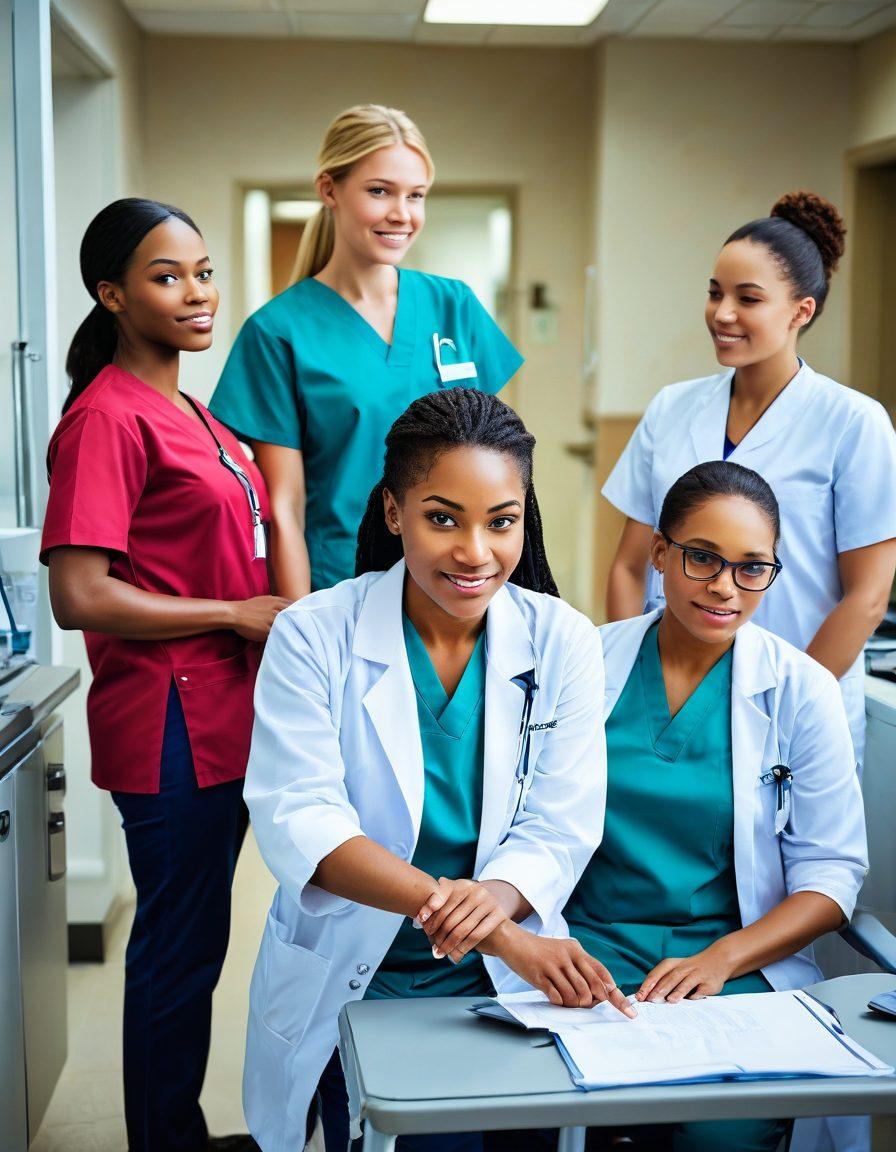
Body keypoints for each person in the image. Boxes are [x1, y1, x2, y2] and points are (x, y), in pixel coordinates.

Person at [241, 388, 631, 1152]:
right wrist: (502, 935)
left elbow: (562, 823)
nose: (475, 552)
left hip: (504, 980)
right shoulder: (313, 635)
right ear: (394, 512)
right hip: (363, 970)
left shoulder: (564, 640)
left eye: (502, 521)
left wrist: (494, 924)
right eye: (443, 517)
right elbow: (303, 820)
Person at [41, 198, 289, 1152]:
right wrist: (234, 612)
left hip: (227, 712)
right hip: (172, 725)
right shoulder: (106, 417)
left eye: (204, 271)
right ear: (112, 295)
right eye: (165, 275)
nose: (197, 293)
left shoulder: (191, 407)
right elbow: (81, 594)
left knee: (198, 948)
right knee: (178, 955)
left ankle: (176, 1130)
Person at [565, 461, 868, 1152]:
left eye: (751, 567)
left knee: (723, 1130)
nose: (725, 587)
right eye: (702, 557)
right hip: (586, 951)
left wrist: (723, 959)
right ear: (661, 554)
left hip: (733, 964)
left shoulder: (801, 689)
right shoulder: (584, 662)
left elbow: (832, 876)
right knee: (571, 1117)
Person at [603, 191, 896, 769]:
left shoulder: (853, 422)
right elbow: (629, 565)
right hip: (666, 694)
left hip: (796, 705)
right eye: (715, 292)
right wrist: (627, 681)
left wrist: (791, 704)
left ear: (801, 312)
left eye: (748, 298)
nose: (722, 313)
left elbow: (867, 595)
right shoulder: (671, 408)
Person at [209, 103, 523, 599]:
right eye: (380, 191)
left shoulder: (454, 304)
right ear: (329, 189)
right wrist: (299, 624)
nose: (402, 213)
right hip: (343, 585)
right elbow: (283, 509)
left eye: (415, 195)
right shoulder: (278, 332)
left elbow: (498, 461)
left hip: (460, 579)